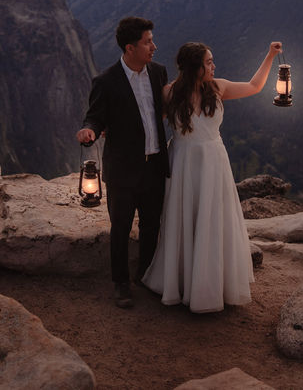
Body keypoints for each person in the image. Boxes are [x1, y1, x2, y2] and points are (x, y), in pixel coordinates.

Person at [142, 40, 282, 313]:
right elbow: (147, 122)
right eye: (208, 62)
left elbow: (254, 87)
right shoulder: (169, 93)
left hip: (214, 163)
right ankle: (185, 282)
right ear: (194, 67)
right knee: (187, 219)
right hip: (183, 163)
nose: (214, 66)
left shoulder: (218, 87)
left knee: (213, 220)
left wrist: (270, 55)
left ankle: (212, 285)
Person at [77, 17, 170, 309]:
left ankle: (146, 275)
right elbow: (95, 115)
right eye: (147, 42)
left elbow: (164, 109)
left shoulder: (158, 72)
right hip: (123, 169)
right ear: (130, 48)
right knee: (120, 226)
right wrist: (89, 129)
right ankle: (121, 283)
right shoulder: (105, 81)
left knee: (152, 225)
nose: (154, 47)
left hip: (154, 163)